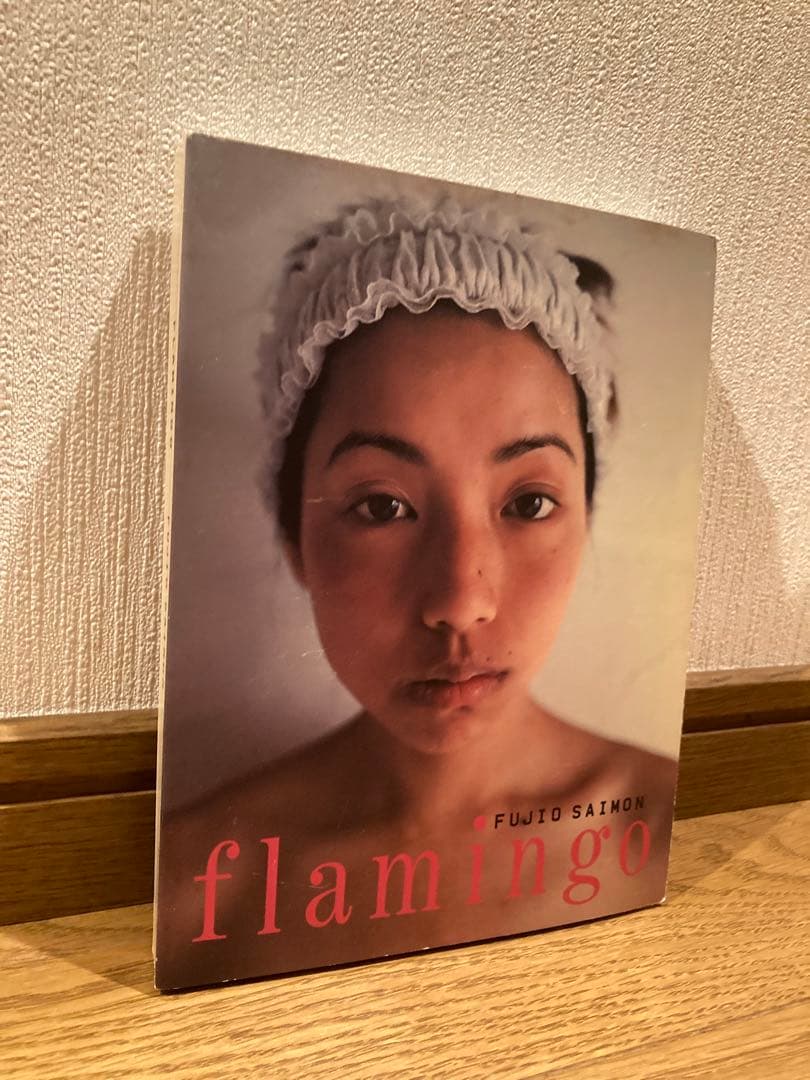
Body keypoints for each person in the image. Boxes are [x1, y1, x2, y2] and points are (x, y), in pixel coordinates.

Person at [156, 199, 677, 987]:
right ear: (294, 536)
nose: (460, 602)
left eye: (530, 503)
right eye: (381, 507)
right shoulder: (193, 891)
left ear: (586, 517)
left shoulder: (679, 831)